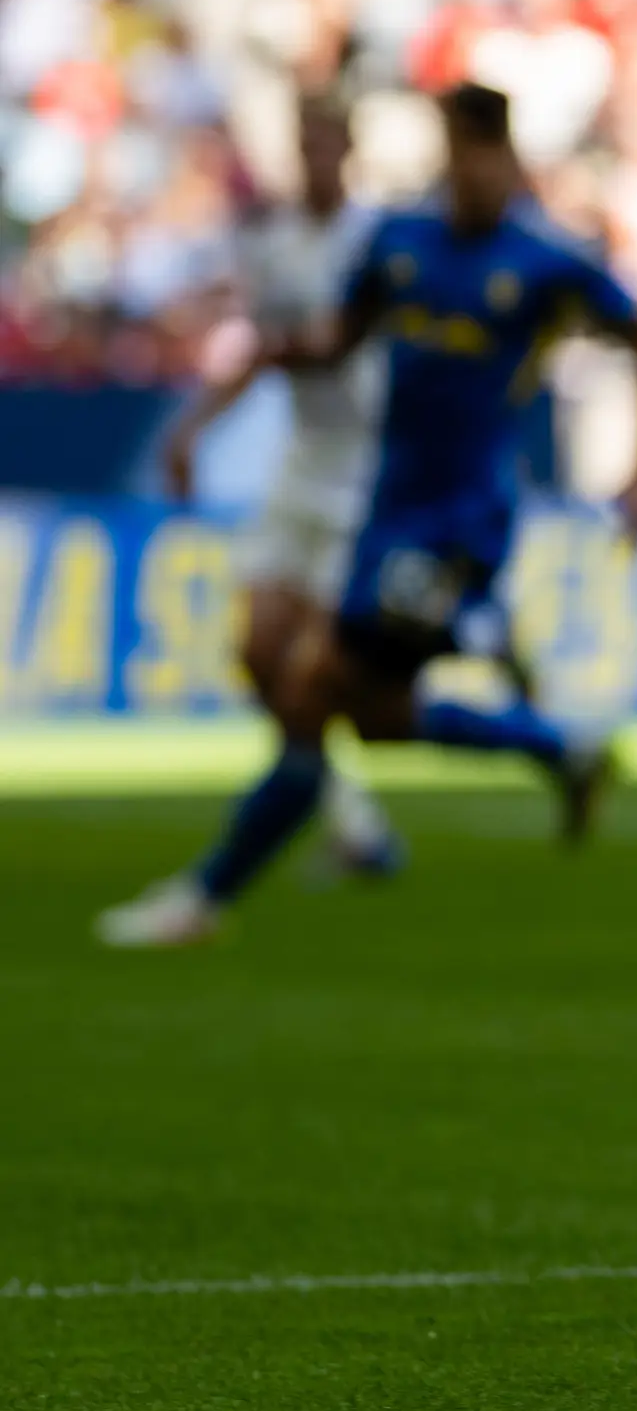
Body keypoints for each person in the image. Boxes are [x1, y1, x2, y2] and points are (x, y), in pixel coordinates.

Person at [99, 84, 637, 948]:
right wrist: (271, 355)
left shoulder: (548, 262)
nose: (469, 172)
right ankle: (554, 743)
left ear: (508, 160)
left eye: (482, 153)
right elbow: (339, 338)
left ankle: (205, 897)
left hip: (463, 520)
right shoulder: (402, 247)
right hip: (384, 507)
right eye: (455, 150)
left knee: (312, 686)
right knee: (371, 714)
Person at [152, 89, 405, 882]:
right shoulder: (274, 245)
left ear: (351, 149)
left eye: (327, 142)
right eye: (305, 143)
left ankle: (524, 739)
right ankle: (346, 810)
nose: (315, 158)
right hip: (304, 462)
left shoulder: (383, 241)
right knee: (260, 651)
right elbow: (262, 349)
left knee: (323, 675)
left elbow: (319, 347)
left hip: (369, 471)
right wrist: (194, 427)